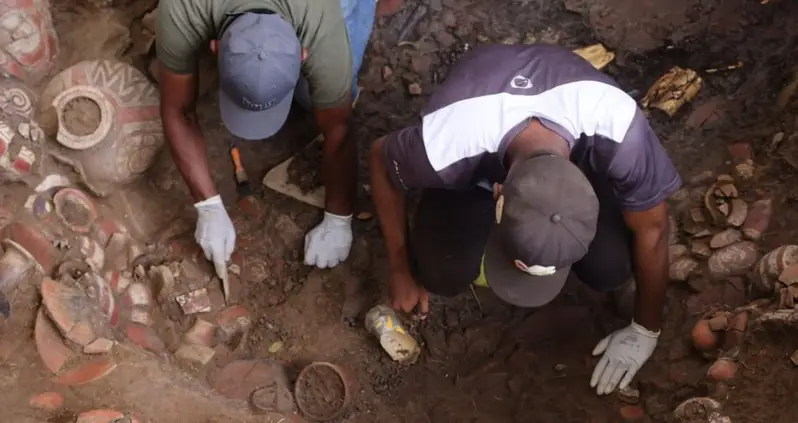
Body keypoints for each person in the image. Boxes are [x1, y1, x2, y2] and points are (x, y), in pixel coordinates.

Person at [369, 44, 682, 396]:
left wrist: (645, 329)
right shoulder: (445, 146)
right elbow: (380, 160)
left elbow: (653, 230)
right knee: (441, 271)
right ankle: (452, 213)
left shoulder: (621, 133)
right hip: (476, 146)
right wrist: (399, 266)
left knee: (611, 267)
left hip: (567, 149)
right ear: (498, 195)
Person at [155, 0, 379, 278]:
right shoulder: (182, 6)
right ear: (214, 47)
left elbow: (339, 128)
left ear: (303, 54)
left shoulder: (322, 21)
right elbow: (178, 109)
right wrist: (207, 205)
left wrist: (338, 218)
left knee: (314, 96)